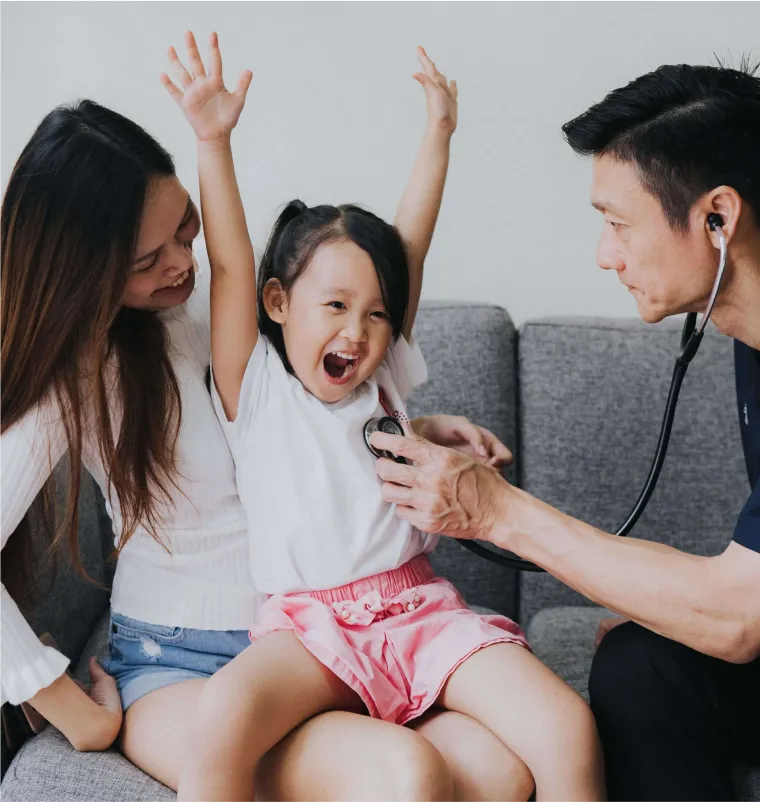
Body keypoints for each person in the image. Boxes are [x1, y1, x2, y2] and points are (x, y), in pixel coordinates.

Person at [0, 68, 535, 802]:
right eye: (148, 260)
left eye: (184, 229)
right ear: (85, 273)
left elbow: (302, 428)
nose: (183, 263)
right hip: (177, 665)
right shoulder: (76, 375)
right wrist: (63, 704)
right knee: (408, 775)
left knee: (504, 776)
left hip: (309, 649)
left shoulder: (227, 331)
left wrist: (409, 433)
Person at [370, 61, 760, 801]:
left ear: (719, 218)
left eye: (618, 224)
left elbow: (739, 615)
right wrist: (657, 602)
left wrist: (496, 509)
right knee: (642, 664)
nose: (605, 254)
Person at [161, 32, 604, 802]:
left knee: (562, 729)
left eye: (375, 315)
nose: (357, 332)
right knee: (225, 710)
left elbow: (412, 242)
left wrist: (438, 132)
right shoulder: (256, 385)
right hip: (311, 631)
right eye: (333, 306)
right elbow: (231, 260)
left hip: (419, 610)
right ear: (277, 304)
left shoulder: (384, 377)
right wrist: (212, 141)